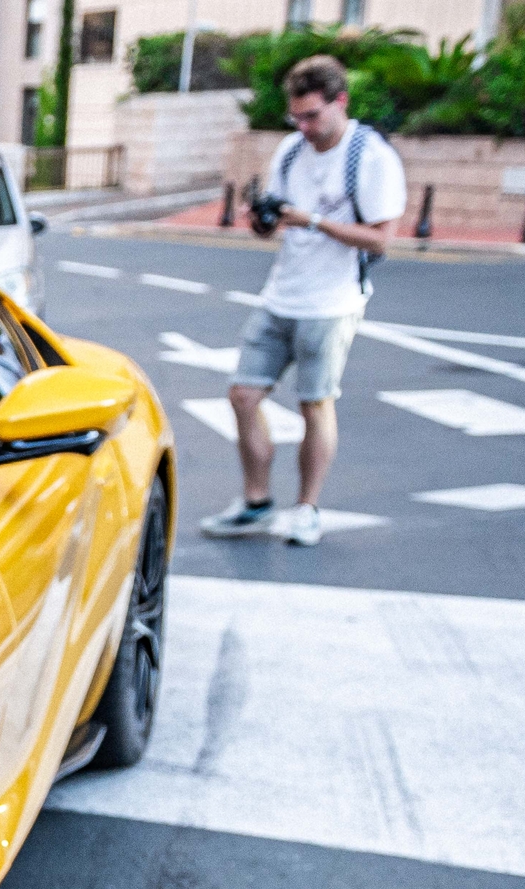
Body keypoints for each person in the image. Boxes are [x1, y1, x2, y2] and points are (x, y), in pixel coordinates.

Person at [198, 54, 406, 547]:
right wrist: (264, 219)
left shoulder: (371, 157)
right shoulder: (291, 151)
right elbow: (272, 227)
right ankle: (256, 501)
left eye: (313, 116)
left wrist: (311, 220)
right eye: (297, 117)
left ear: (341, 102)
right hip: (281, 294)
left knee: (316, 404)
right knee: (243, 395)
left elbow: (381, 240)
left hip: (332, 303)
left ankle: (308, 508)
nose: (304, 127)